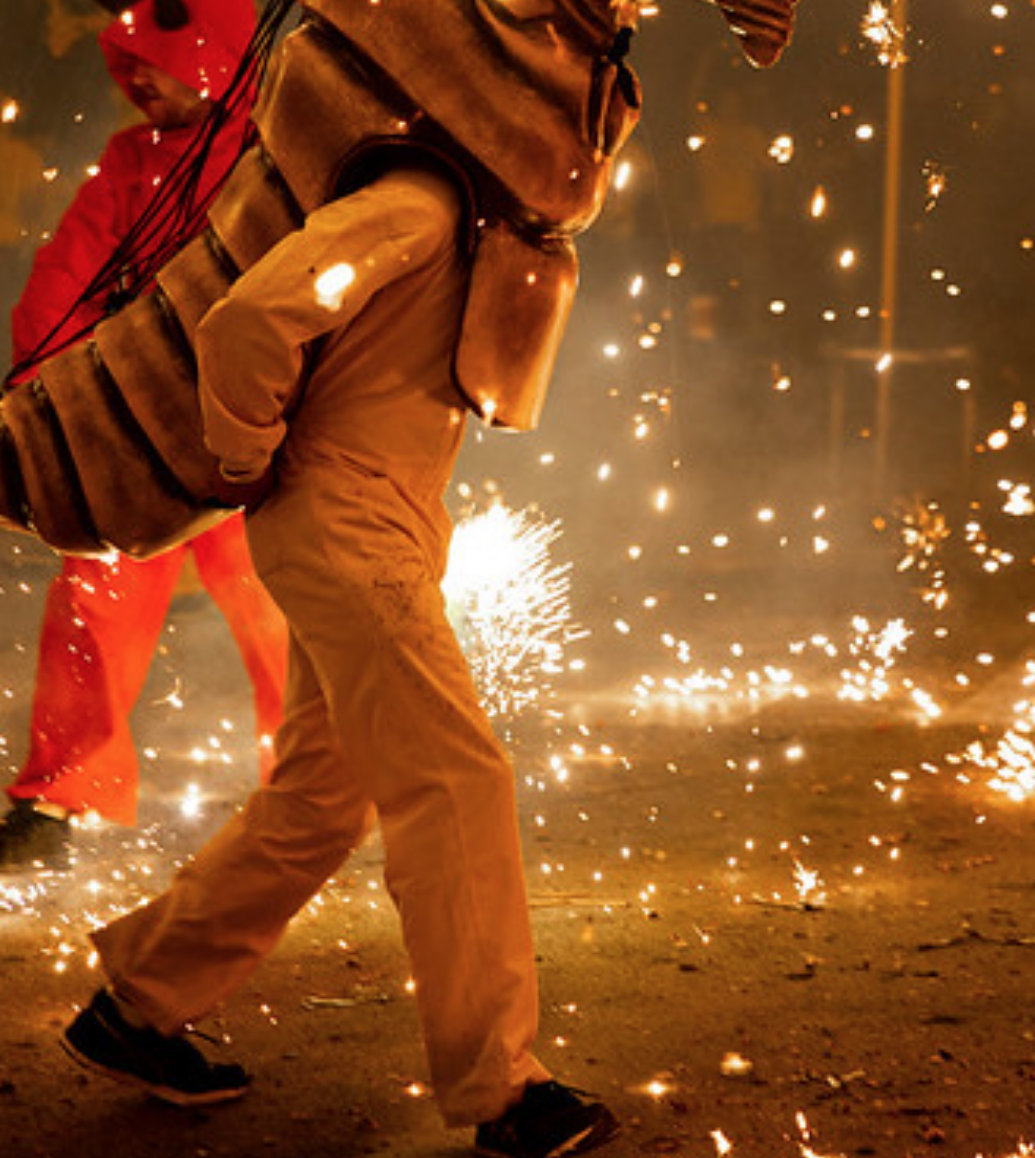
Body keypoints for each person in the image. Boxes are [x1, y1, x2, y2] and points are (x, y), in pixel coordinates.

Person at [58, 156, 617, 1157]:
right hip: (348, 531)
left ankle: (135, 1005)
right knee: (456, 779)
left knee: (326, 789)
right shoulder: (415, 202)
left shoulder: (453, 215)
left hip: (370, 531)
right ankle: (505, 1091)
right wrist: (240, 452)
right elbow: (248, 318)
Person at [0, 0, 290, 872]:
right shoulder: (130, 158)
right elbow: (68, 267)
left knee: (287, 604)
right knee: (90, 603)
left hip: (253, 424)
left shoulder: (278, 152)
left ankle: (325, 791)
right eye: (130, 62)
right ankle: (62, 799)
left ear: (212, 60)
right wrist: (38, 375)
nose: (136, 79)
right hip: (136, 427)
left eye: (155, 62)